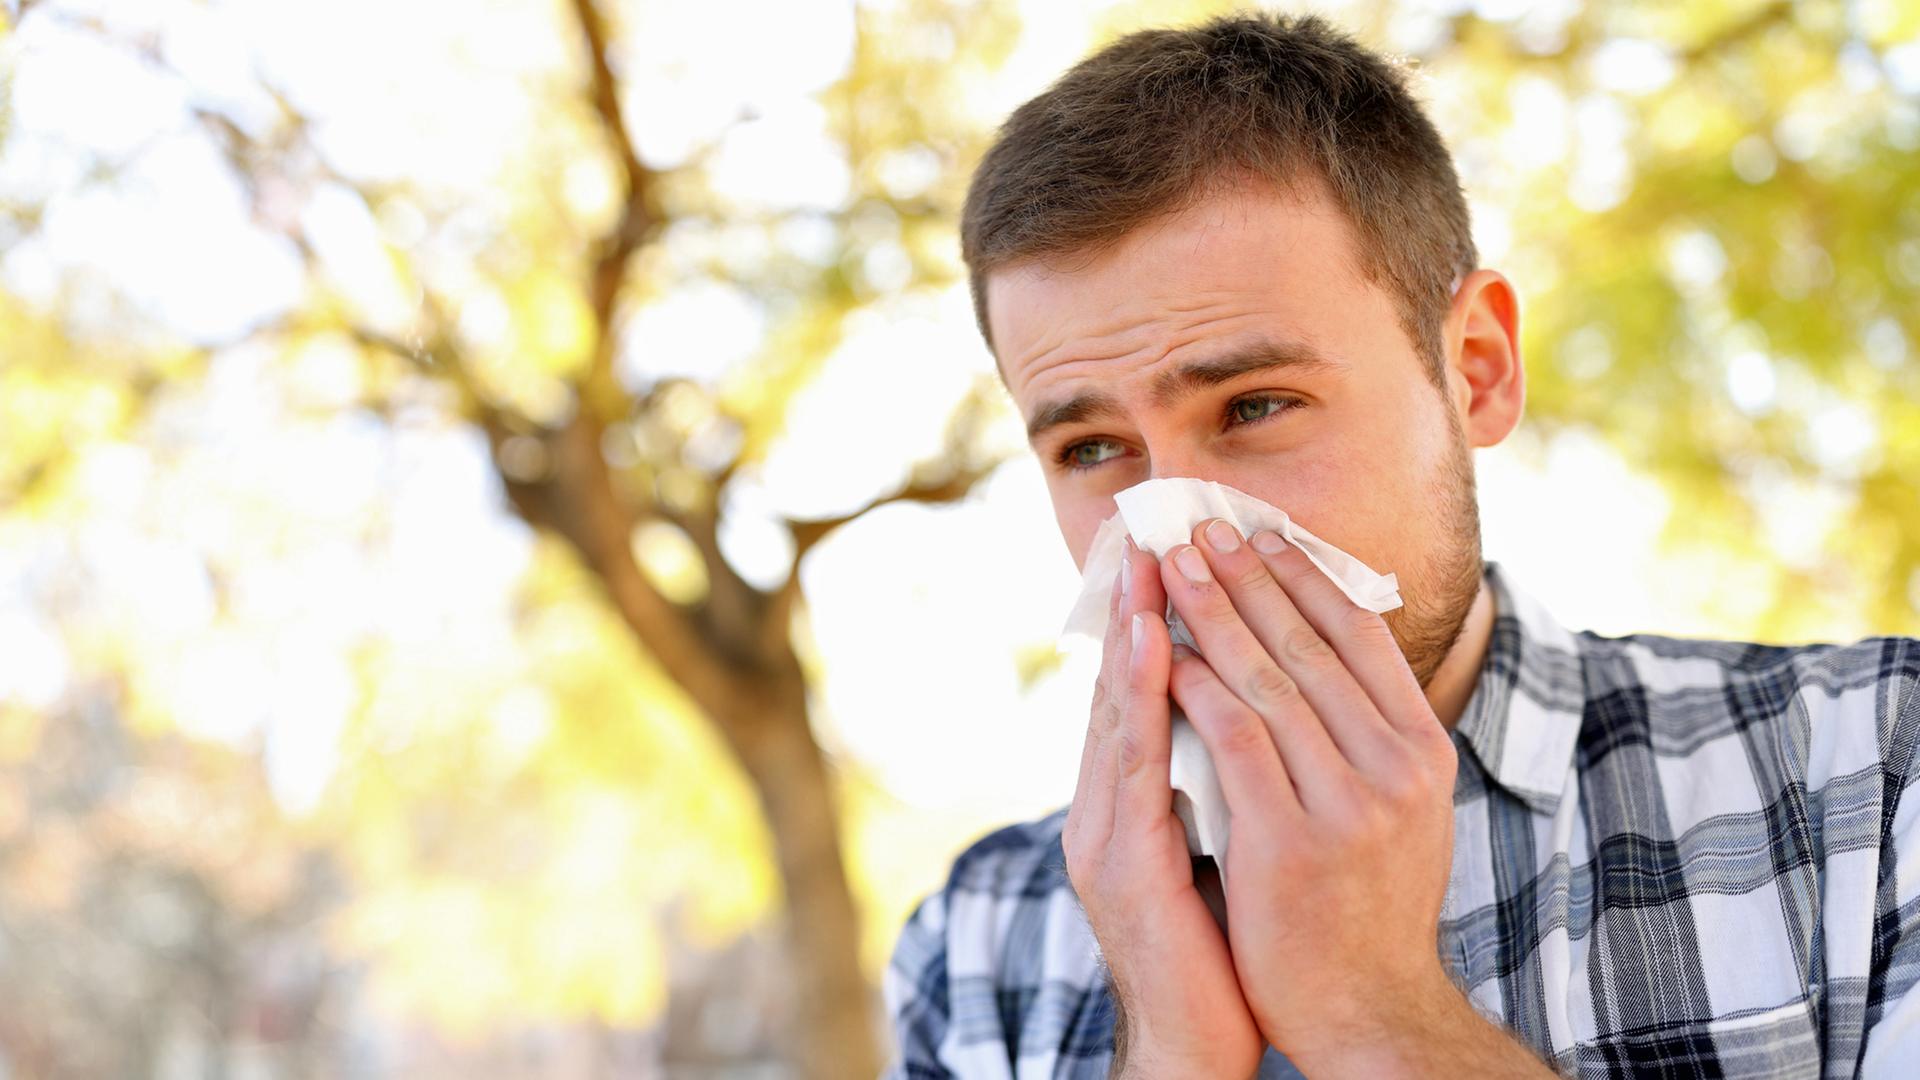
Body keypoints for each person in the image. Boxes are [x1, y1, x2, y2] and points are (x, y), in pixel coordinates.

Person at [877, 9, 1920, 1079]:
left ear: (1475, 369)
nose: (1177, 535)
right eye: (1093, 448)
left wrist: (1375, 1015)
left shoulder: (1874, 780)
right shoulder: (975, 943)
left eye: (1255, 405)